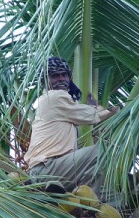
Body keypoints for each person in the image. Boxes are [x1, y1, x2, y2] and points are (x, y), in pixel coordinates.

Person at [24, 56, 119, 197]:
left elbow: (83, 114)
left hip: (55, 170)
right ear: (44, 81)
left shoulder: (56, 104)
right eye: (55, 76)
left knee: (114, 197)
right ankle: (89, 204)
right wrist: (113, 110)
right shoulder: (55, 97)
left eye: (65, 75)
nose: (61, 79)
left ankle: (86, 200)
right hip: (47, 169)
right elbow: (92, 116)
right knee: (100, 151)